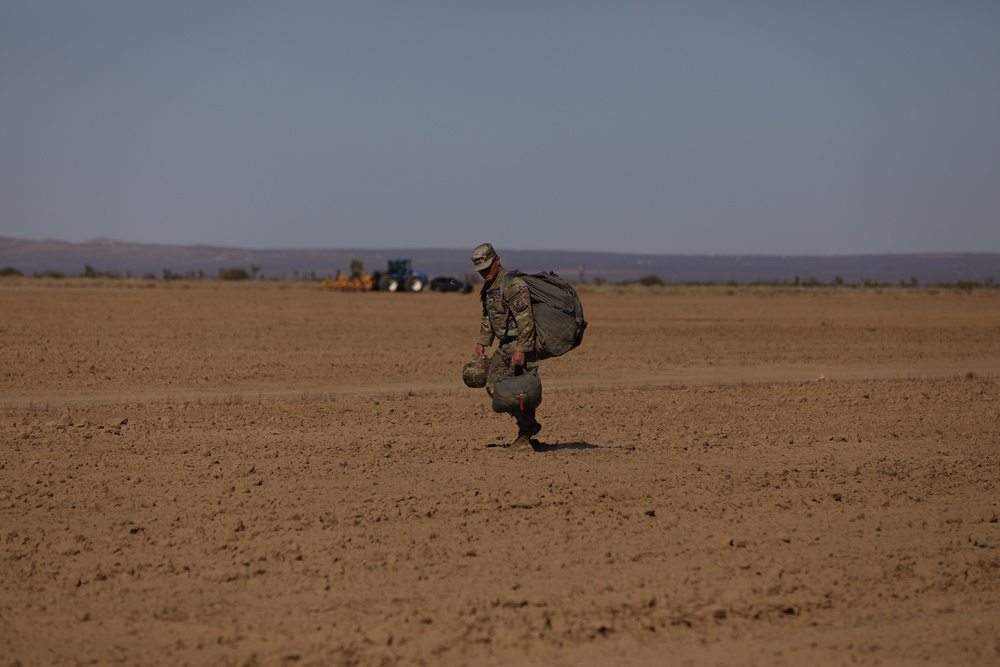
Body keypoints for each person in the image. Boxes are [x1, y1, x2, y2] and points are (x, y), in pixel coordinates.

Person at [471, 243, 542, 451]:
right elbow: (488, 317)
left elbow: (526, 320)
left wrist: (521, 349)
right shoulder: (489, 287)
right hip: (505, 346)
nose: (484, 272)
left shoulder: (513, 285)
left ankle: (526, 434)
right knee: (495, 387)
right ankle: (529, 426)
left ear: (497, 260)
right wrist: (482, 343)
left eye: (487, 267)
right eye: (480, 269)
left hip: (519, 344)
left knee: (516, 392)